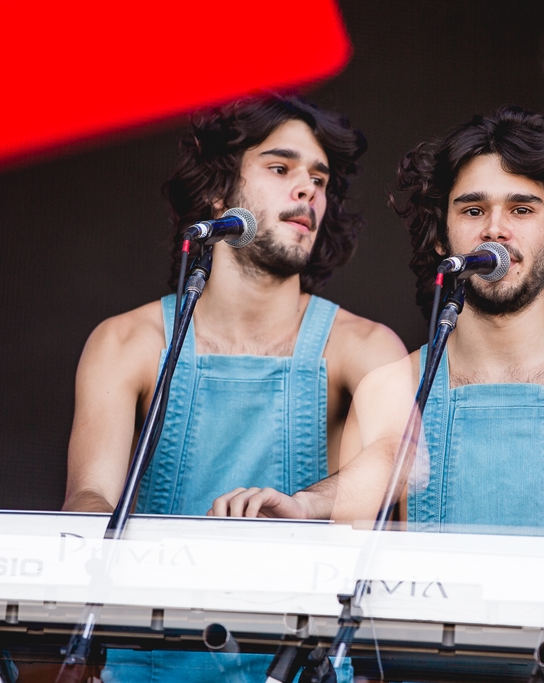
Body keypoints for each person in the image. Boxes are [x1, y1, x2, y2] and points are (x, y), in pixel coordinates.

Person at [212, 106, 544, 562]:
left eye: (522, 210)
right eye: (472, 211)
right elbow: (352, 593)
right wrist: (304, 506)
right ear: (442, 235)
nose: (495, 230)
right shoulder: (388, 390)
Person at [61, 95, 406, 682]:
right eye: (281, 169)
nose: (308, 192)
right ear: (218, 194)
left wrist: (306, 507)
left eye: (319, 179)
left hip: (297, 667)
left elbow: (396, 460)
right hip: (145, 668)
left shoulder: (366, 346)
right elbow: (89, 499)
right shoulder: (125, 341)